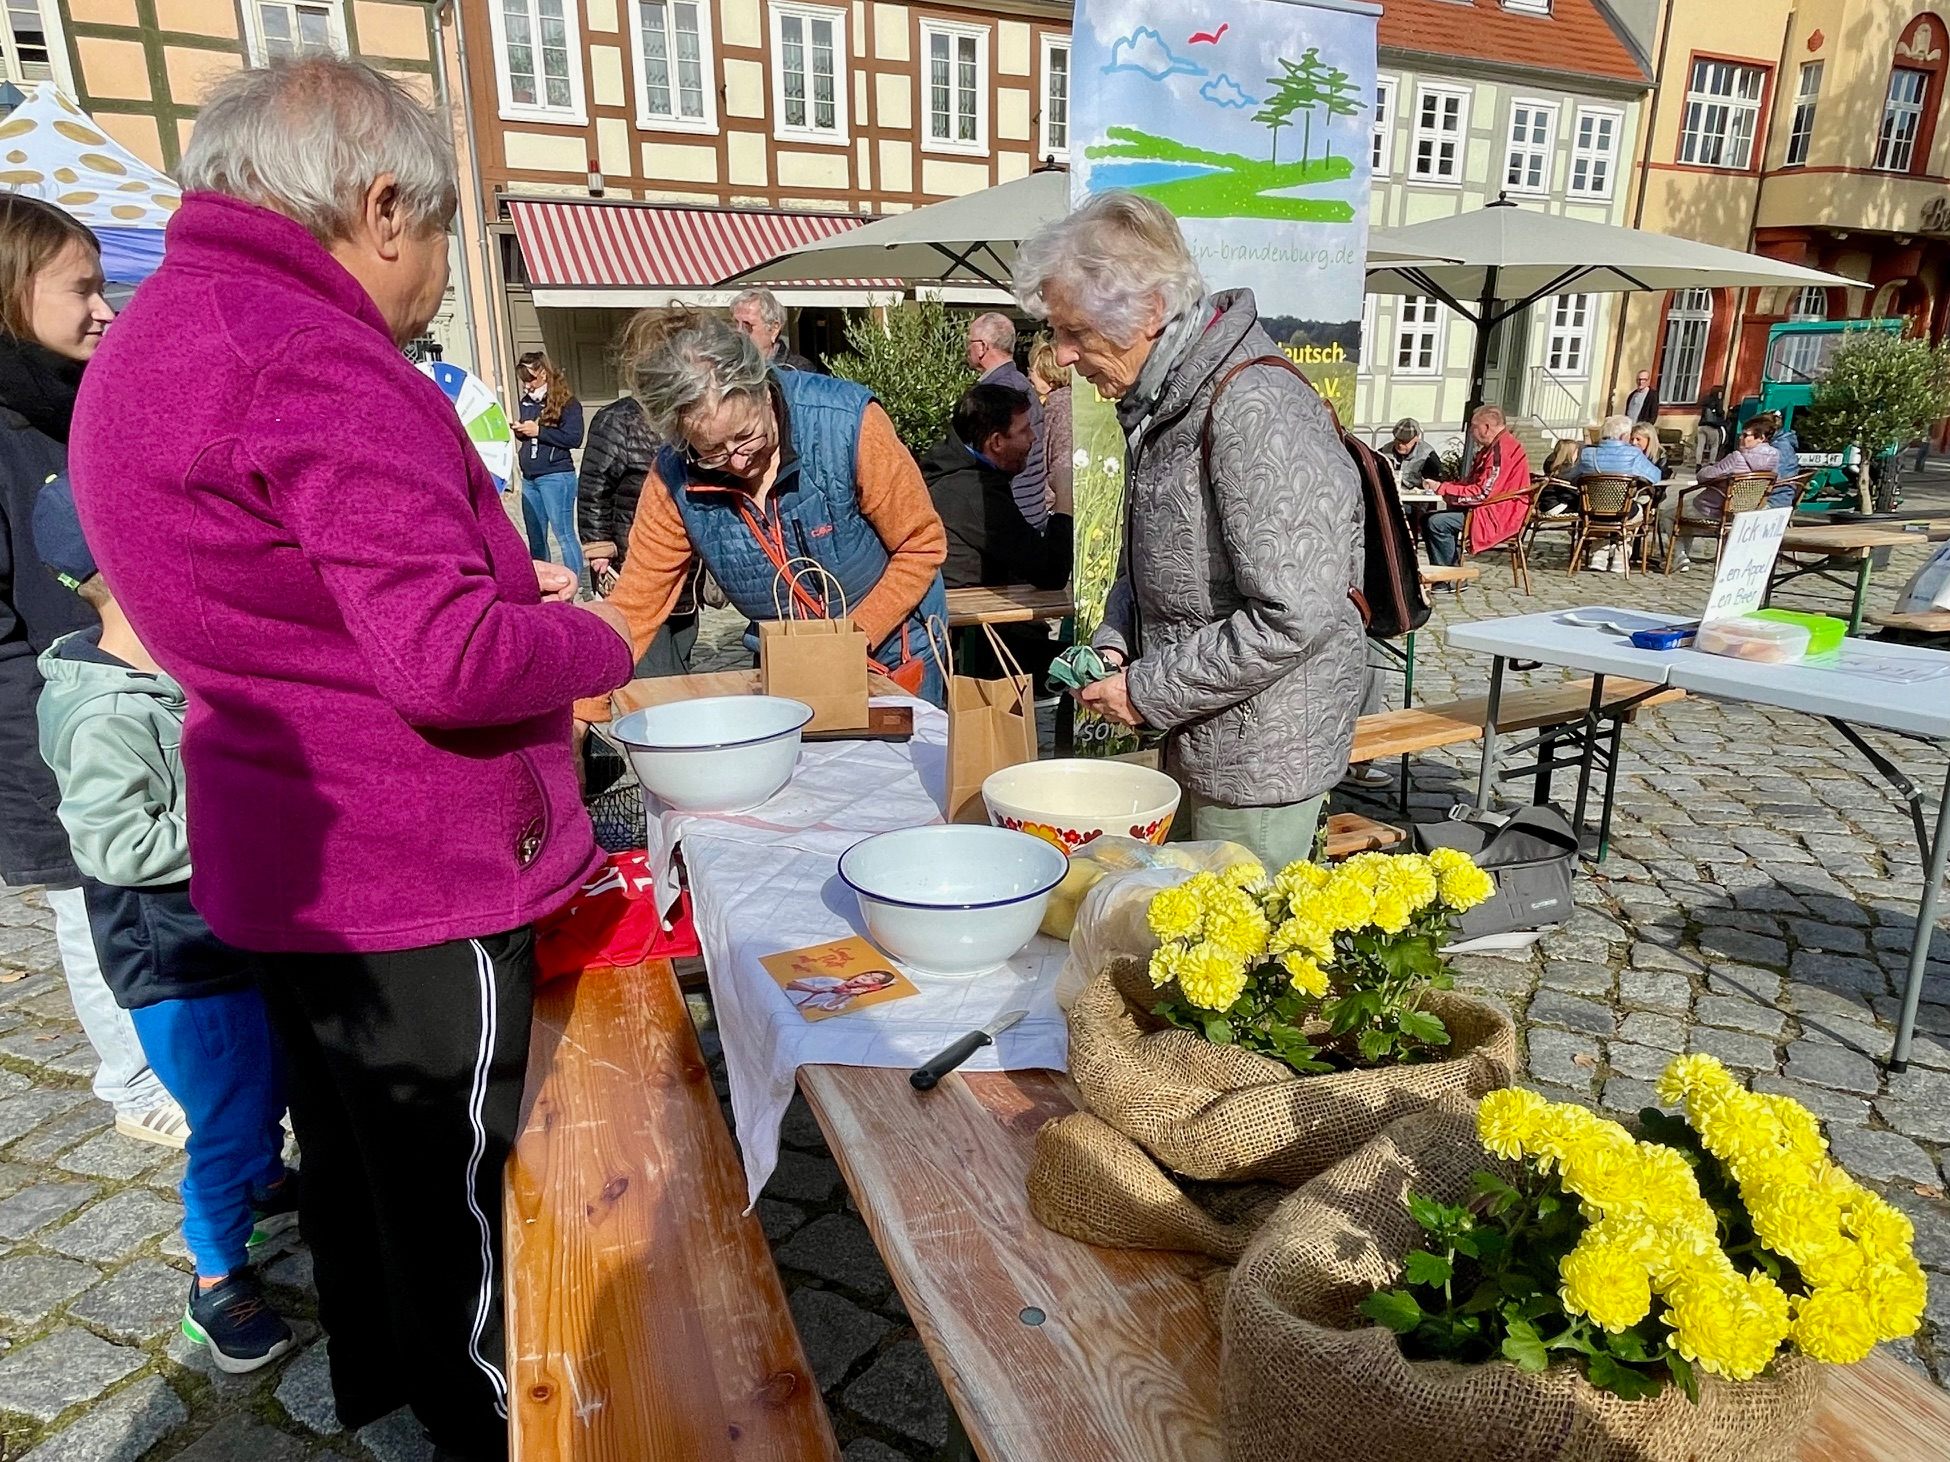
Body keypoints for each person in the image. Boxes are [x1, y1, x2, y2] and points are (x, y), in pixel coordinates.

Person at [69, 59, 636, 1460]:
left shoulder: (154, 334)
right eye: (443, 237)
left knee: (359, 1169)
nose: (439, 278)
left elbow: (284, 603)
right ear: (384, 206)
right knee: (462, 1190)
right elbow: (443, 657)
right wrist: (596, 643)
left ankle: (387, 1400)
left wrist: (497, 598)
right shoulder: (310, 347)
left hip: (290, 849)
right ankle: (491, 1425)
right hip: (412, 863)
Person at [32, 476, 300, 1375]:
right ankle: (217, 1278)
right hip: (179, 961)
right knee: (223, 1111)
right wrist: (240, 819)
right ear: (126, 566)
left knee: (263, 1078)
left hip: (230, 933)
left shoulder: (165, 671)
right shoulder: (108, 711)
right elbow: (117, 846)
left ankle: (263, 1180)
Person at [1013, 190, 1364, 869]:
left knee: (1236, 957)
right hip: (1199, 739)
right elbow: (1142, 567)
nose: (1062, 355)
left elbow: (1295, 616)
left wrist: (1144, 692)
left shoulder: (1255, 406)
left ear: (1148, 310)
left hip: (1259, 761)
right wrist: (1115, 648)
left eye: (1075, 332)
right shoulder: (1169, 400)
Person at [0, 194, 181, 1147]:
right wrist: (42, 750)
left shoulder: (74, 401)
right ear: (11, 290)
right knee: (87, 899)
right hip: (49, 715)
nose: (105, 309)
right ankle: (132, 1076)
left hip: (130, 682)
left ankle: (179, 1049)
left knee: (147, 889)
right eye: (82, 289)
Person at [585, 306, 949, 708]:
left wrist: (850, 640)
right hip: (786, 666)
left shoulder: (846, 422)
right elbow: (635, 604)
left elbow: (922, 545)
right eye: (711, 451)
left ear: (761, 389)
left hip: (894, 653)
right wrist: (584, 708)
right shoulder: (674, 475)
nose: (737, 461)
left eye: (745, 436)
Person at [919, 383, 1072, 682]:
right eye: (1025, 430)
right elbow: (1051, 572)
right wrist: (1065, 500)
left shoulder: (953, 470)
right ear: (997, 442)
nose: (1034, 438)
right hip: (978, 649)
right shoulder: (974, 492)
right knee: (1081, 669)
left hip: (970, 634)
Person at [577, 321, 698, 679]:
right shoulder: (618, 419)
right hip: (633, 562)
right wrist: (600, 552)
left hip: (684, 568)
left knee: (681, 648)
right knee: (654, 665)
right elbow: (593, 489)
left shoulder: (688, 415)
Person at [965, 311, 1050, 532]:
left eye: (970, 342)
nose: (967, 348)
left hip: (1010, 513)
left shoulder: (995, 394)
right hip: (1032, 508)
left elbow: (989, 460)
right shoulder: (1022, 385)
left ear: (983, 347)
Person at [1660, 417, 1781, 571]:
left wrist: (1706, 468)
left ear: (1761, 438)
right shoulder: (1774, 459)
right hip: (1748, 509)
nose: (1741, 438)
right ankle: (1683, 556)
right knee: (1684, 509)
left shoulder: (1736, 458)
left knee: (1669, 513)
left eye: (1746, 435)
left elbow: (1705, 477)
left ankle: (1680, 556)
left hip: (1716, 509)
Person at [1423, 405, 1532, 568]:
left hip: (1497, 515)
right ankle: (1449, 573)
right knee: (1427, 519)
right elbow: (1474, 485)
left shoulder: (1500, 452)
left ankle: (1448, 578)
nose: (1471, 432)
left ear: (1486, 427)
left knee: (1436, 523)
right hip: (1493, 510)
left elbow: (1482, 493)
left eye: (1474, 427)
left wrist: (1443, 488)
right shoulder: (1496, 447)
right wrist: (1449, 487)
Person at [513, 350, 585, 578]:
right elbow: (531, 434)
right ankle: (543, 586)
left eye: (530, 378)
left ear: (543, 373)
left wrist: (539, 431)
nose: (527, 385)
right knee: (535, 536)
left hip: (556, 476)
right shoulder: (527, 401)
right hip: (530, 478)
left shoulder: (568, 403)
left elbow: (574, 438)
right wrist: (522, 432)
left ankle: (573, 585)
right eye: (524, 380)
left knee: (563, 534)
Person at [1568, 415, 1663, 572]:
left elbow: (1573, 478)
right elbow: (1655, 477)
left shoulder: (1587, 454)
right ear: (1624, 435)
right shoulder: (1633, 455)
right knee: (1637, 509)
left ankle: (1599, 555)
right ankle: (1621, 556)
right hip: (1623, 511)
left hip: (1591, 511)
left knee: (1599, 508)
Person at [1028, 333, 1074, 518]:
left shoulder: (1059, 406)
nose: (1029, 374)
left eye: (1034, 370)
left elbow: (1060, 459)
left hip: (1053, 506)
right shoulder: (1056, 403)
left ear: (1050, 378)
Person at [730, 287, 818, 373]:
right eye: (736, 323)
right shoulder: (730, 367)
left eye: (747, 326)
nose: (739, 331)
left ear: (774, 329)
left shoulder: (799, 371)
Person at [1381, 418, 1446, 494]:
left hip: (1416, 501)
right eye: (1397, 439)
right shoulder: (1384, 452)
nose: (1400, 445)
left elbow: (1437, 482)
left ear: (1416, 438)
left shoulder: (1427, 456)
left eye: (1405, 441)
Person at [1696, 385, 1726, 465]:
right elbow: (1720, 412)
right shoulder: (1717, 401)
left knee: (1700, 446)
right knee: (1714, 445)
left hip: (1701, 425)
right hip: (1712, 426)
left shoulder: (1706, 400)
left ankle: (1698, 464)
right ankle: (1711, 462)